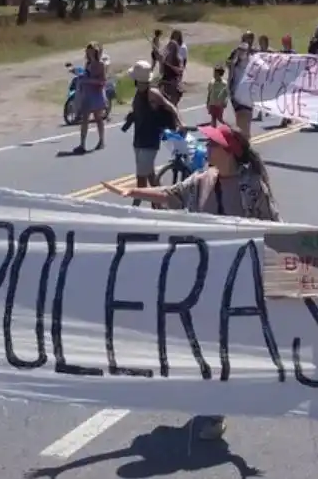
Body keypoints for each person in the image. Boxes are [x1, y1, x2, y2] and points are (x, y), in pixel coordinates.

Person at [100, 123, 278, 440]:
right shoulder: (201, 180)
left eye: (213, 145)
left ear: (230, 151)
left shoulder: (252, 186)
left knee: (228, 344)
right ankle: (213, 404)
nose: (206, 149)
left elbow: (276, 229)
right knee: (205, 343)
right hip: (203, 279)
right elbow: (172, 196)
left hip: (239, 280)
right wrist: (134, 191)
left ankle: (219, 408)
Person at [120, 60, 182, 192]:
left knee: (141, 178)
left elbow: (170, 106)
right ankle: (161, 201)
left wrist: (180, 123)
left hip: (149, 140)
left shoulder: (152, 93)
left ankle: (138, 206)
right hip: (139, 138)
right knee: (149, 175)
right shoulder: (138, 94)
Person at [72, 42, 108, 153]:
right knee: (85, 119)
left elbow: (102, 81)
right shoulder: (88, 64)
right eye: (88, 50)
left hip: (96, 94)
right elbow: (86, 75)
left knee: (98, 119)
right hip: (87, 94)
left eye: (92, 49)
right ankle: (82, 144)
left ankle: (101, 141)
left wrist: (88, 81)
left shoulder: (100, 64)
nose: (89, 51)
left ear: (96, 51)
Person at [226, 32, 256, 137]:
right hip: (237, 88)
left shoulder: (255, 53)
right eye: (246, 39)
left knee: (247, 118)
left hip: (249, 91)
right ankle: (243, 140)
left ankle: (245, 139)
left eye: (250, 39)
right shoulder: (237, 52)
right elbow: (229, 64)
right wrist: (235, 59)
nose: (248, 41)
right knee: (240, 117)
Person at [158, 33, 184, 105]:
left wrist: (171, 66)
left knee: (172, 106)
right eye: (170, 47)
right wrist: (161, 62)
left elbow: (180, 71)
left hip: (174, 85)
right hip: (165, 84)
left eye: (172, 48)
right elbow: (161, 71)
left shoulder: (179, 59)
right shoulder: (165, 59)